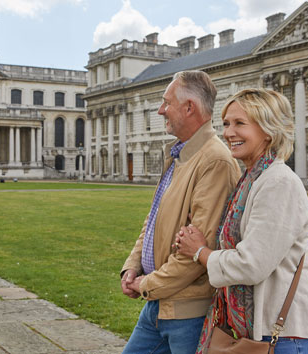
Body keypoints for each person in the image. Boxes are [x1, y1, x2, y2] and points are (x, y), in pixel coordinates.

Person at [174, 88, 308, 354]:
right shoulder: (251, 180)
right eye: (225, 124)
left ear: (268, 130)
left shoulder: (278, 183)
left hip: (287, 338)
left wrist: (200, 252)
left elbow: (251, 265)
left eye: (239, 123)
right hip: (260, 334)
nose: (228, 132)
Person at [120, 70, 240, 354]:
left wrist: (146, 284)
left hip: (189, 312)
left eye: (166, 103)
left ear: (189, 108)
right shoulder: (179, 154)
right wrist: (132, 266)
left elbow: (198, 251)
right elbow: (153, 222)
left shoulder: (215, 162)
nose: (161, 110)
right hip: (158, 305)